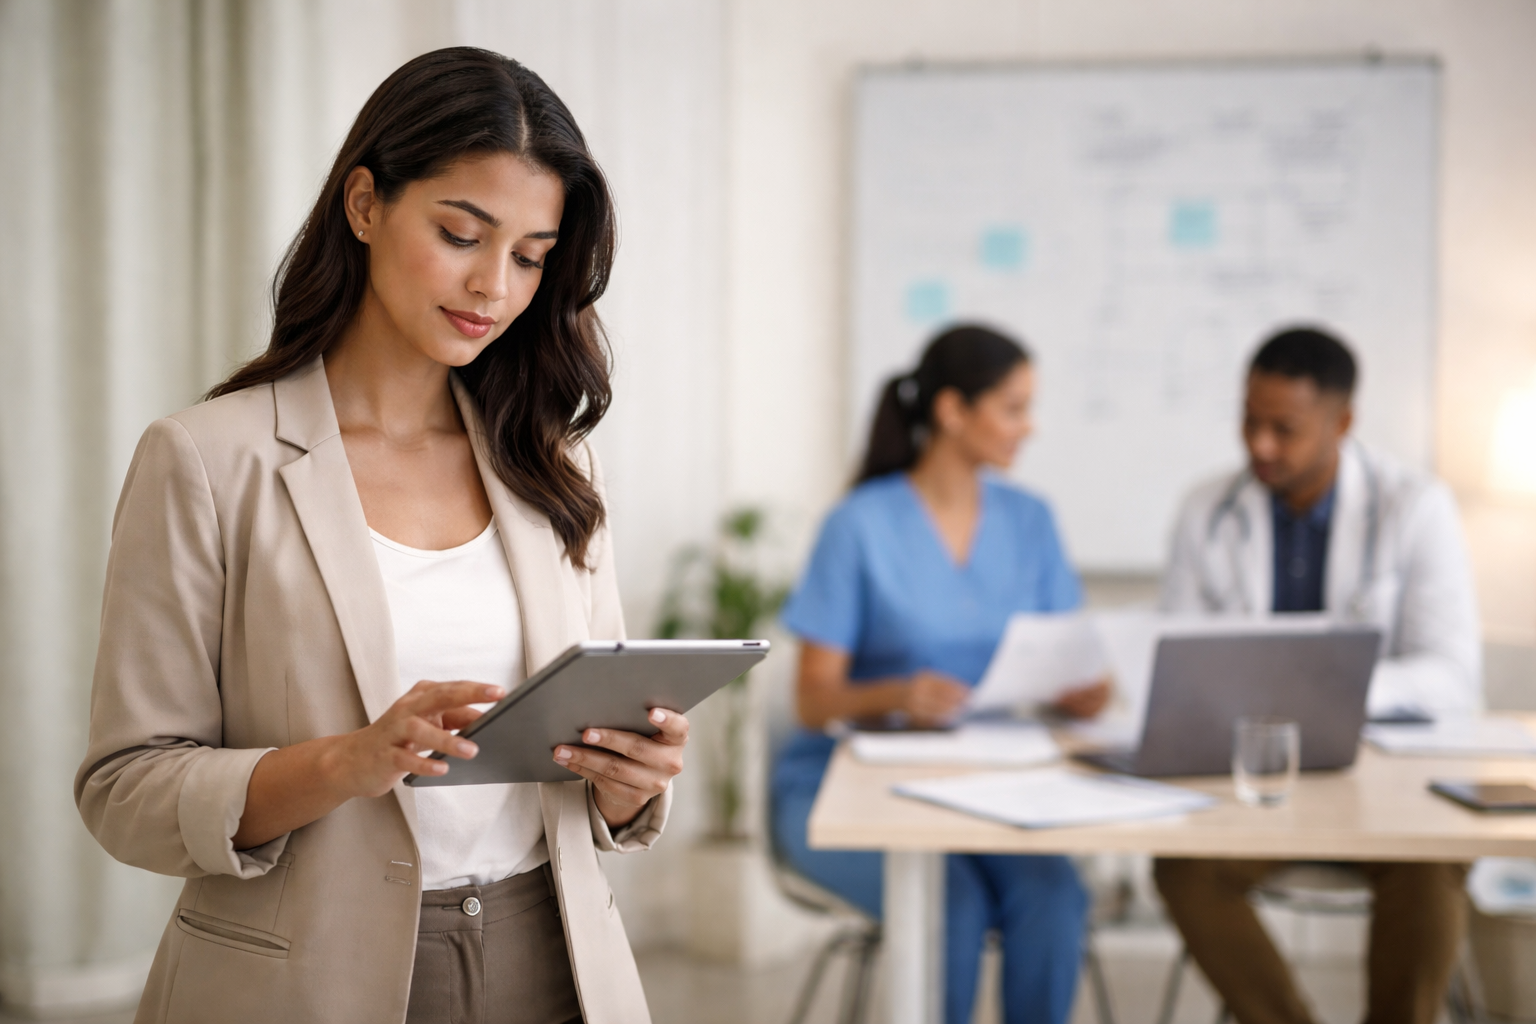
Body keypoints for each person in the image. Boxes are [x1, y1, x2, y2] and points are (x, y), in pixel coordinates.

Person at [74, 49, 683, 1024]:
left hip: (557, 959)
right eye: (460, 233)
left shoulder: (553, 463)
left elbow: (593, 774)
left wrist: (629, 784)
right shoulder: (204, 460)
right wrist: (346, 760)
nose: (493, 284)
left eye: (530, 256)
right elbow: (124, 787)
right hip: (307, 978)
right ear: (365, 205)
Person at [771, 325, 1109, 1024]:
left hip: (987, 781)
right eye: (1013, 408)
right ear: (954, 411)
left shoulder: (1031, 520)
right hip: (846, 785)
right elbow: (812, 700)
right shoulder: (858, 525)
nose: (1029, 427)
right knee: (947, 906)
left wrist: (1085, 689)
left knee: (1055, 898)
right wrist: (898, 694)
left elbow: (1070, 659)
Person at [1155, 326, 1481, 1024]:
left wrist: (1337, 687)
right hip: (1250, 785)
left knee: (1431, 867)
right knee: (1182, 867)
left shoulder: (1415, 506)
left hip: (1378, 784)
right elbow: (1180, 659)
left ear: (1344, 422)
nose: (1260, 446)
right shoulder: (1205, 511)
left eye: (1285, 428)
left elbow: (1452, 675)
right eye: (1250, 421)